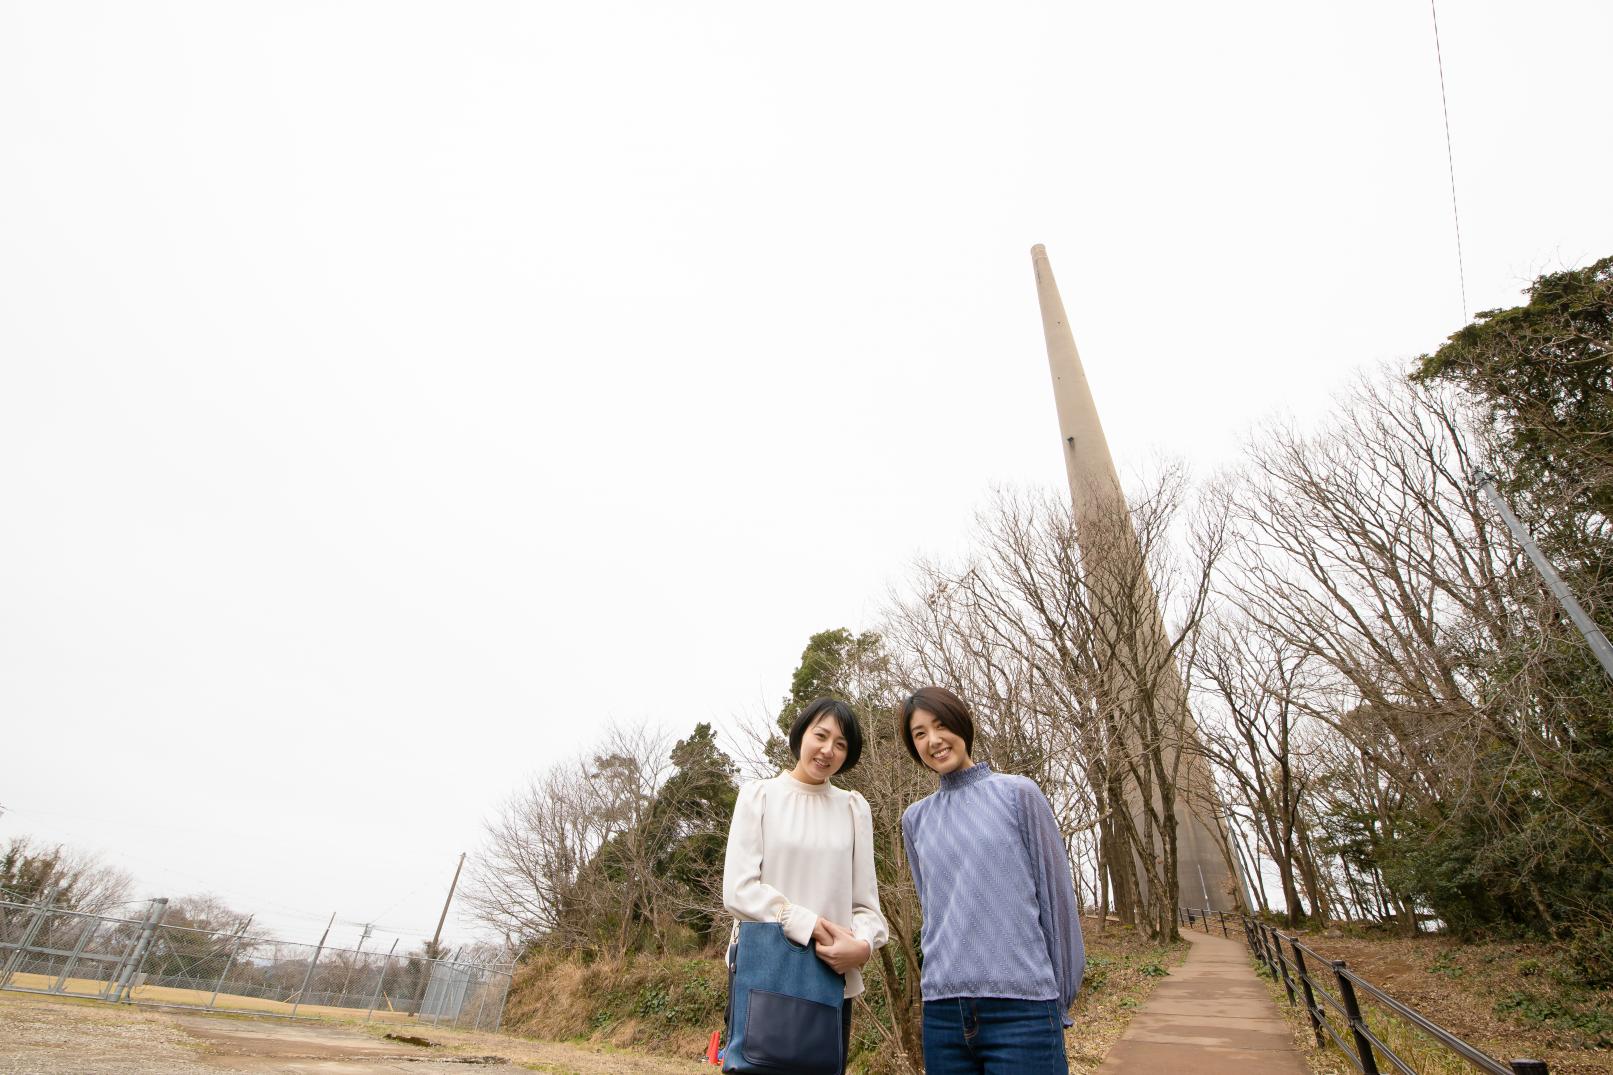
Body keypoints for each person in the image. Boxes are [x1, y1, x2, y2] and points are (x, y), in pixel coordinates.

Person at [900, 686, 1085, 1075]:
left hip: (1023, 1008)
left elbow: (1056, 899)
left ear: (961, 724)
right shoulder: (914, 820)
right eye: (919, 734)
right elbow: (932, 910)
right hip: (943, 1014)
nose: (933, 740)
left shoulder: (1018, 794)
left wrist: (1059, 997)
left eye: (940, 725)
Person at [723, 698, 889, 1073]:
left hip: (829, 980)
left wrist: (862, 946)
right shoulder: (759, 796)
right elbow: (739, 889)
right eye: (821, 735)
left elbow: (866, 906)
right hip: (765, 973)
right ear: (801, 735)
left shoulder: (852, 808)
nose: (828, 750)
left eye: (842, 744)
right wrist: (805, 922)